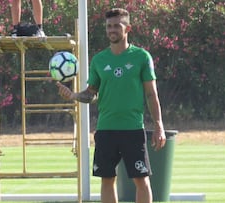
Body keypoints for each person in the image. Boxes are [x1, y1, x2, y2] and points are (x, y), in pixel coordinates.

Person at [56, 8, 166, 203]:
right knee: (107, 179)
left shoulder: (141, 57)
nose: (112, 30)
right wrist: (73, 95)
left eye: (117, 25)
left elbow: (151, 93)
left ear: (128, 28)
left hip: (132, 129)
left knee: (141, 180)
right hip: (106, 130)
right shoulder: (99, 60)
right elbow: (91, 94)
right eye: (109, 26)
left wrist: (159, 125)